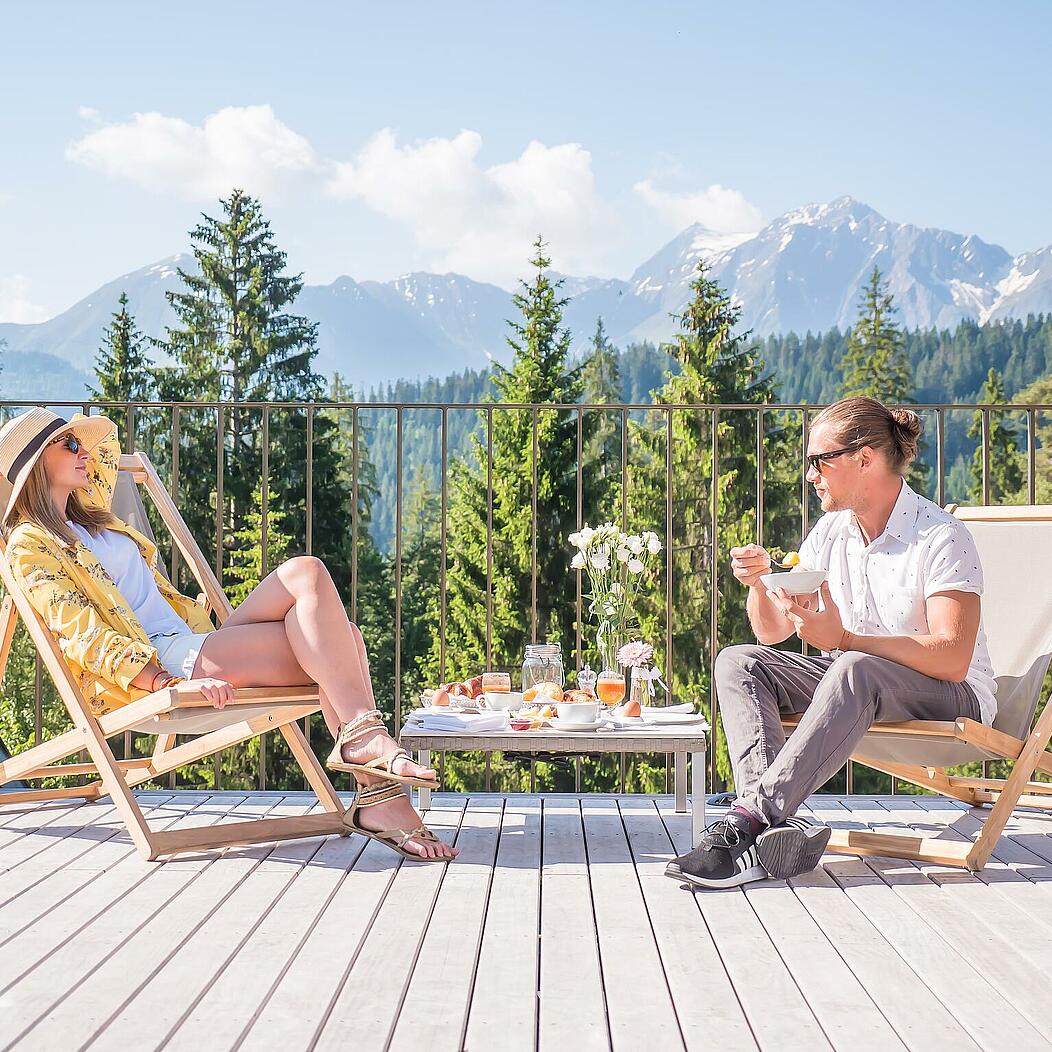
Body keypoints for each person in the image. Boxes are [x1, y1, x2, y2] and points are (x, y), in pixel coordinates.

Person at [0, 409, 457, 863]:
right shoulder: (30, 544)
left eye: (82, 444)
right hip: (164, 662)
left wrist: (91, 454)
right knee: (346, 641)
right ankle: (377, 784)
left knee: (306, 573)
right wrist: (164, 683)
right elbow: (83, 636)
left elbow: (109, 452)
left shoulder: (95, 519)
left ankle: (367, 759)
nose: (85, 453)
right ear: (38, 462)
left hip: (194, 639)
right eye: (70, 445)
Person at [667, 396, 994, 889]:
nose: (810, 474)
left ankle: (748, 821)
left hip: (948, 695)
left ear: (865, 459)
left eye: (819, 461)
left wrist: (844, 639)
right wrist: (759, 586)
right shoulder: (831, 532)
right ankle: (771, 827)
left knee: (854, 665)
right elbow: (771, 633)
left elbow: (950, 657)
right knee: (739, 662)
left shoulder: (940, 537)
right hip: (856, 683)